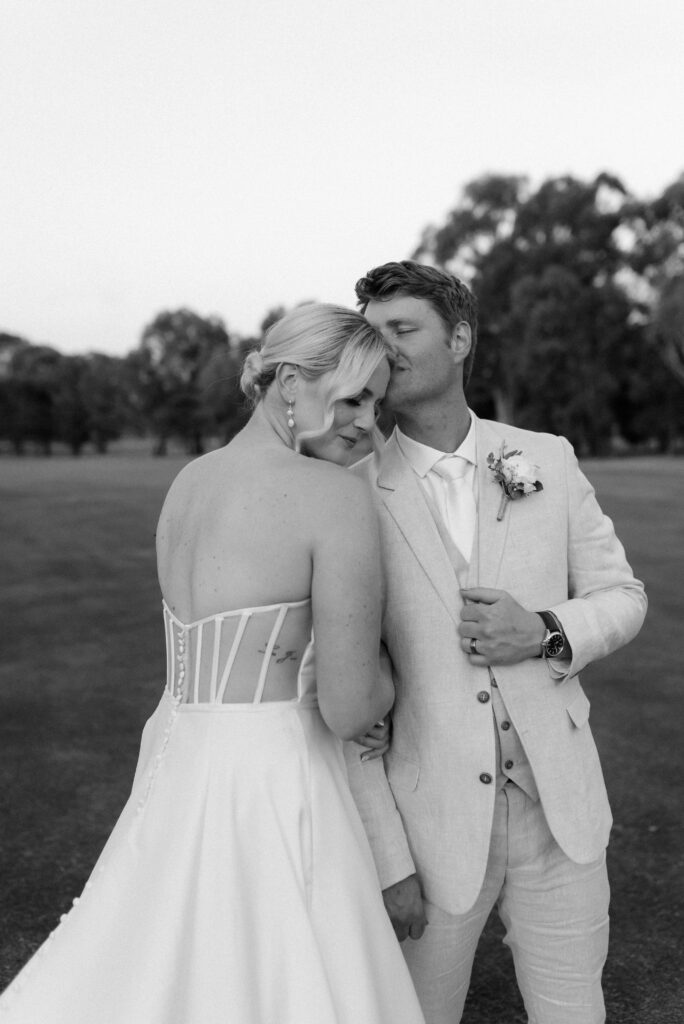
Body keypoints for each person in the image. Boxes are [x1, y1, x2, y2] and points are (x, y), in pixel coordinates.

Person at [0, 303, 426, 1024]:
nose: (368, 424)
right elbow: (350, 707)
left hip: (178, 760)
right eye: (354, 398)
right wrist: (388, 674)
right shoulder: (334, 496)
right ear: (289, 383)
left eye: (377, 405)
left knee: (170, 966)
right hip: (274, 779)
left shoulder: (189, 483)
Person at [344, 261, 648, 1024]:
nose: (383, 349)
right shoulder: (350, 491)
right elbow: (345, 697)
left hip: (560, 817)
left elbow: (623, 596)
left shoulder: (547, 457)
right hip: (429, 831)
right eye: (371, 335)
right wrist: (388, 860)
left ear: (459, 340)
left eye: (402, 329)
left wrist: (544, 630)